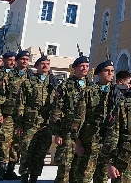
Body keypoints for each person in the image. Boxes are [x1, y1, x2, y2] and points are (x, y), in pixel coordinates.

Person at [72, 59, 121, 183]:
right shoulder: (88, 91)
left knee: (102, 178)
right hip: (89, 141)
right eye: (106, 71)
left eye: (112, 71)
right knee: (84, 177)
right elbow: (79, 118)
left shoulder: (117, 93)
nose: (110, 73)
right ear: (98, 73)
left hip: (107, 143)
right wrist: (77, 142)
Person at [17, 54, 60, 183]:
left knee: (40, 153)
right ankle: (24, 177)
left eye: (47, 63)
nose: (45, 65)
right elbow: (21, 104)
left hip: (46, 125)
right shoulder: (29, 82)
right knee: (26, 151)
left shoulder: (54, 83)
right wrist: (19, 124)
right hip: (30, 123)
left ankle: (34, 178)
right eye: (42, 63)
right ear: (36, 66)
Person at [50, 55, 92, 183]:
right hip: (68, 132)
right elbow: (56, 110)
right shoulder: (65, 86)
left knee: (80, 169)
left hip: (85, 133)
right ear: (75, 68)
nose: (84, 68)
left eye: (87, 66)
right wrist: (57, 133)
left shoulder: (91, 87)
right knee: (64, 167)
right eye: (81, 66)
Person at [0, 50, 29, 180]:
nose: (24, 61)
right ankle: (1, 170)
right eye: (22, 59)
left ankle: (10, 169)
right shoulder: (8, 76)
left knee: (17, 144)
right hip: (8, 115)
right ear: (17, 61)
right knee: (4, 141)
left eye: (27, 59)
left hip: (23, 117)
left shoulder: (31, 78)